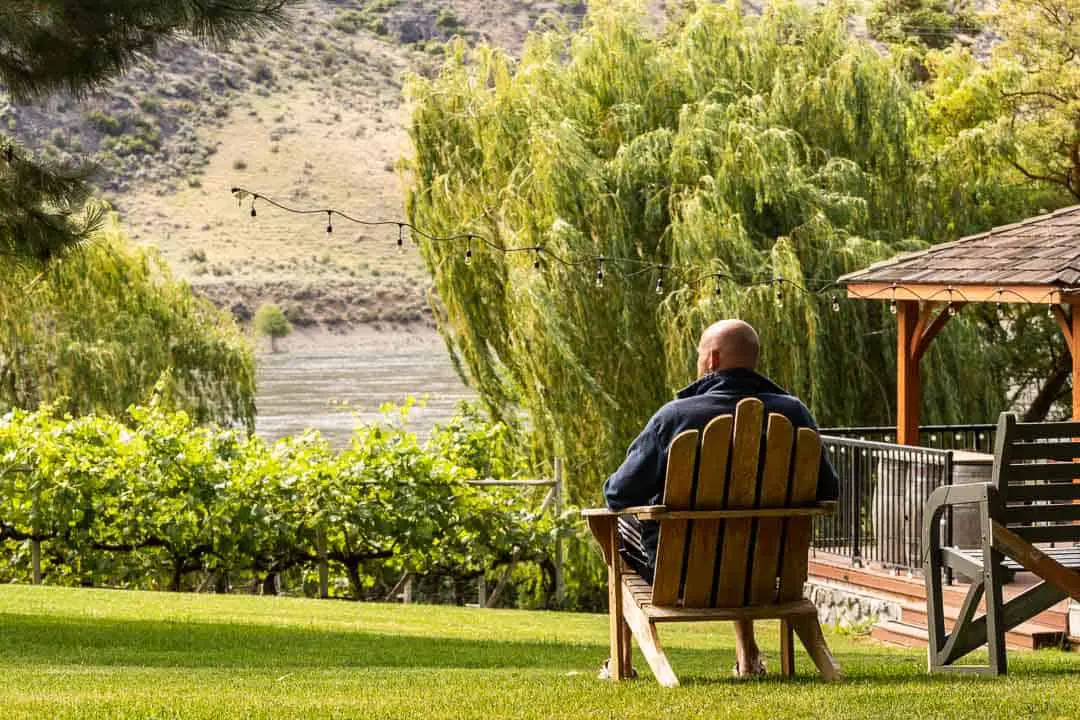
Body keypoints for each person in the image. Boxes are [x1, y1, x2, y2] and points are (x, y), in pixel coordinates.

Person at [602, 319, 839, 677]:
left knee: (616, 528)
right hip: (766, 574)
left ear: (711, 360)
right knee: (742, 537)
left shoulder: (676, 417)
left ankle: (621, 663)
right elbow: (828, 490)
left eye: (699, 355)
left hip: (680, 576)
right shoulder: (795, 414)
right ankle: (748, 656)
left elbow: (618, 494)